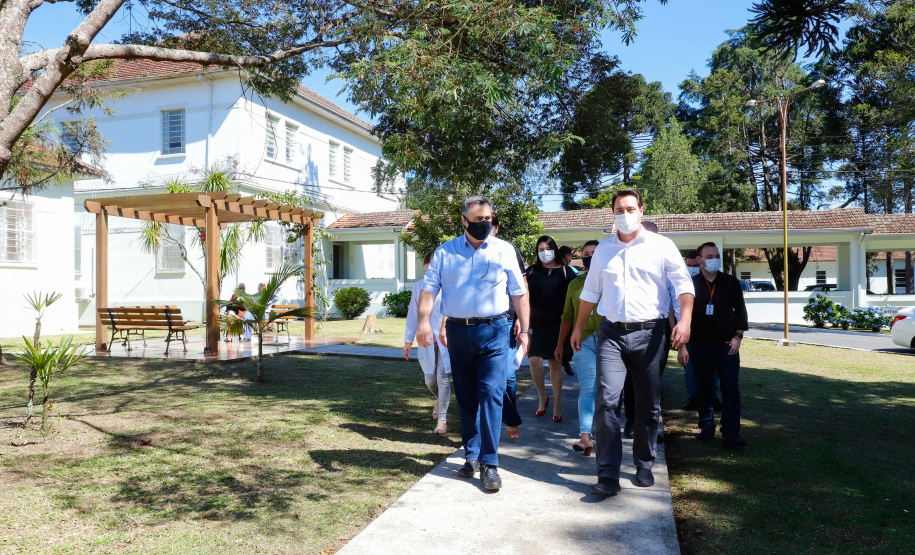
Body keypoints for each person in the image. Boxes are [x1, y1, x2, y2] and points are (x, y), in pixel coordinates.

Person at [571, 188, 694, 497]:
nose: (624, 214)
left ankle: (644, 464)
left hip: (650, 334)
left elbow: (683, 285)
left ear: (641, 210)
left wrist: (686, 320)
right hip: (611, 334)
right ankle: (608, 475)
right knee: (607, 403)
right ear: (613, 214)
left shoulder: (661, 246)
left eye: (629, 208)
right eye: (618, 210)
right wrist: (577, 328)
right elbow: (590, 293)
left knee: (647, 404)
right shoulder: (603, 250)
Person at [417, 196, 530, 492]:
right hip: (457, 331)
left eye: (489, 218)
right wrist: (424, 321)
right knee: (466, 396)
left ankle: (490, 463)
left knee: (491, 393)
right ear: (465, 221)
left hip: (495, 330)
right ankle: (472, 456)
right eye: (479, 219)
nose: (486, 224)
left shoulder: (504, 250)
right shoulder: (445, 252)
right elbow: (428, 290)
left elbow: (519, 292)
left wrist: (525, 328)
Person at [680, 242, 749, 448]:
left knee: (730, 388)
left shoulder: (731, 283)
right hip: (699, 346)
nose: (714, 259)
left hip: (727, 346)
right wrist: (683, 345)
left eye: (717, 255)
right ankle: (706, 425)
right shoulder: (691, 285)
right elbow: (683, 315)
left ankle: (731, 432)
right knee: (704, 388)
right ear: (700, 260)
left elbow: (741, 312)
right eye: (709, 256)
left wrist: (738, 336)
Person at [555, 239, 602, 455]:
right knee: (588, 389)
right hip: (582, 342)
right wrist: (560, 345)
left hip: (609, 341)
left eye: (594, 252)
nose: (589, 256)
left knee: (609, 391)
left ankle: (605, 433)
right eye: (586, 253)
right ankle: (585, 436)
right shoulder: (575, 284)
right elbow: (567, 316)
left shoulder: (612, 281)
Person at [527, 235, 577, 422]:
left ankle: (557, 403)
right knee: (534, 361)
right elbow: (522, 297)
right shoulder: (531, 271)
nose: (545, 252)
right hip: (537, 326)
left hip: (559, 325)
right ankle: (542, 397)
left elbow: (574, 300)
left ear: (555, 250)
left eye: (548, 249)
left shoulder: (567, 272)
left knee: (555, 364)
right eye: (541, 250)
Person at [404, 252, 451, 434]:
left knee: (443, 379)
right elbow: (413, 315)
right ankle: (440, 400)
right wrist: (408, 340)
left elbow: (452, 309)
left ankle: (442, 420)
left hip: (446, 338)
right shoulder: (420, 286)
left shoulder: (449, 285)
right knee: (430, 380)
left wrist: (444, 328)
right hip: (426, 340)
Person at [491, 214, 524, 441]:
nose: (485, 227)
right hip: (482, 324)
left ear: (497, 227)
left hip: (509, 321)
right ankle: (504, 415)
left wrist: (522, 319)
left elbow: (521, 287)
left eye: (490, 223)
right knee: (498, 375)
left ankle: (508, 414)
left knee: (509, 374)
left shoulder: (508, 250)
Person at [680, 252, 722, 412]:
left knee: (714, 369)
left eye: (695, 266)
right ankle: (694, 398)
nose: (692, 269)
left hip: (713, 334)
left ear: (701, 263)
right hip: (691, 334)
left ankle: (713, 397)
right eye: (688, 266)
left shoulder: (717, 282)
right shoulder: (683, 284)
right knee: (690, 369)